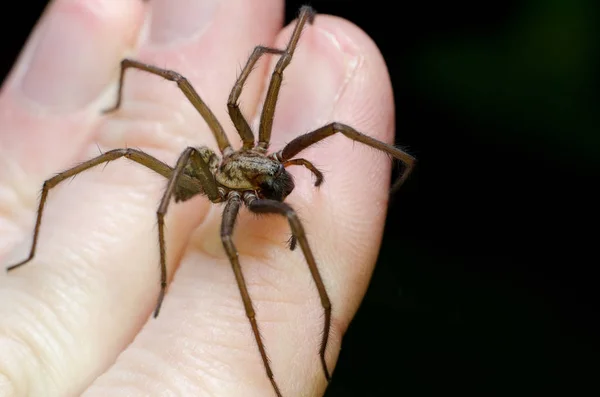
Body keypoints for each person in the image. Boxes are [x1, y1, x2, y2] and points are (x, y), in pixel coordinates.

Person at [0, 0, 397, 396]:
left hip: (225, 165)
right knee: (132, 147)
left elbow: (265, 78)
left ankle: (324, 314)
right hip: (205, 181)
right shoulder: (224, 190)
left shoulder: (263, 151)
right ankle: (278, 364)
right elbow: (206, 203)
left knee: (327, 119)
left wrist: (293, 29)